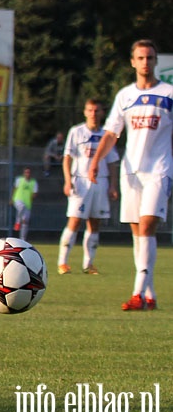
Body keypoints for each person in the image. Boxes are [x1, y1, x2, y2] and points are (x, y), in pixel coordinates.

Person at [88, 39, 172, 311]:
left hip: (159, 170)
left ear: (155, 61)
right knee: (138, 233)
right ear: (133, 62)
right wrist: (95, 161)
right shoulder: (125, 96)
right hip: (131, 171)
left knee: (147, 226)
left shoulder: (169, 93)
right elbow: (112, 132)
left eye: (150, 57)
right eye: (141, 58)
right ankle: (150, 295)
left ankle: (137, 293)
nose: (145, 62)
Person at [56, 99, 120, 275]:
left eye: (97, 110)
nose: (93, 113)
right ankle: (63, 262)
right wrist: (68, 180)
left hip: (101, 182)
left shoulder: (107, 135)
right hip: (81, 182)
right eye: (90, 110)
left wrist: (113, 185)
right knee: (75, 220)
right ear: (85, 112)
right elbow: (67, 157)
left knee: (95, 223)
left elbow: (113, 162)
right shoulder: (76, 132)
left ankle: (88, 264)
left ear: (102, 113)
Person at [10, 167, 38, 240]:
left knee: (25, 222)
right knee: (21, 206)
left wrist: (32, 197)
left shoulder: (33, 182)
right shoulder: (19, 180)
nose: (27, 174)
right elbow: (15, 188)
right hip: (18, 199)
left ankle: (23, 239)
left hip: (27, 204)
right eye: (26, 172)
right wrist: (12, 198)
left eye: (28, 172)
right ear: (24, 173)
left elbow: (34, 193)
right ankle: (17, 222)